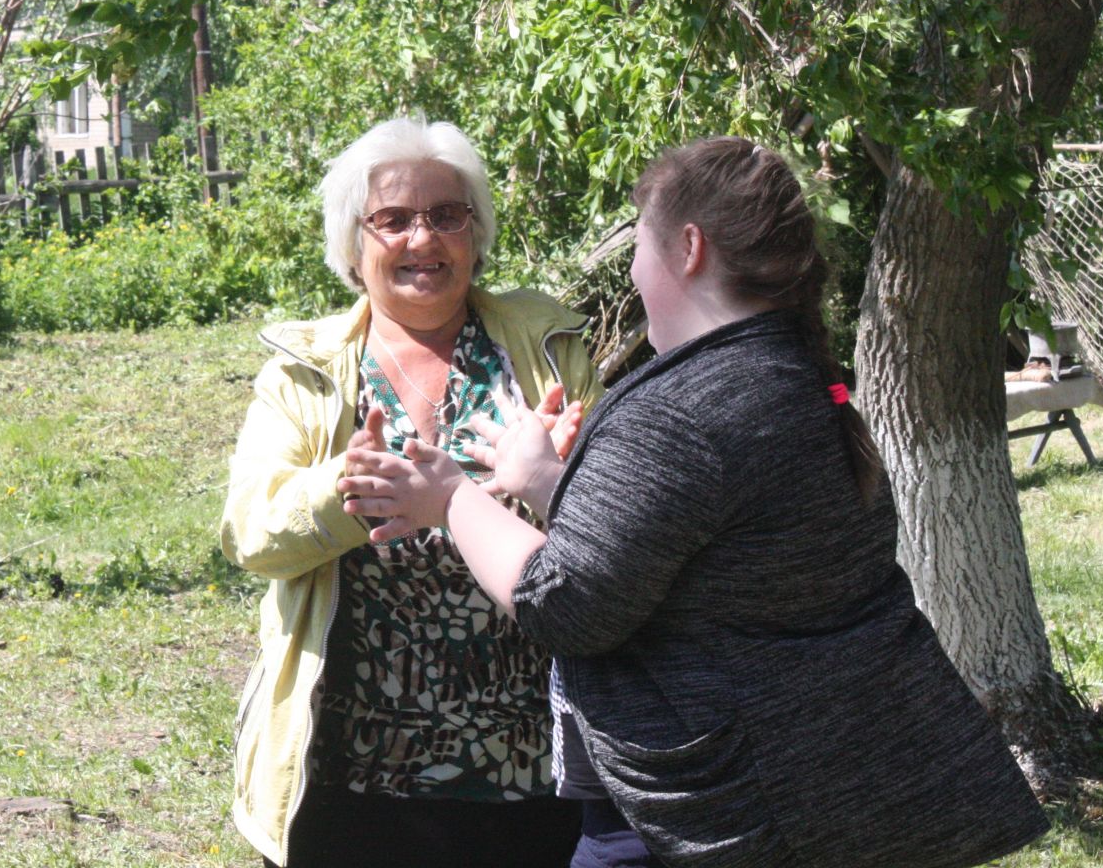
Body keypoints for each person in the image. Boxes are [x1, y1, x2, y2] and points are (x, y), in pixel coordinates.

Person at [341, 137, 1049, 868]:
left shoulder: (680, 413)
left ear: (688, 248)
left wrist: (451, 497)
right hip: (828, 772)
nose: (634, 271)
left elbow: (567, 604)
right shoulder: (789, 372)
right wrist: (552, 484)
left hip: (728, 810)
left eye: (640, 244)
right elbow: (704, 549)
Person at [220, 117, 607, 867]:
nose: (422, 240)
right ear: (352, 245)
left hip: (532, 773)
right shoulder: (305, 371)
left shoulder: (545, 349)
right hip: (353, 778)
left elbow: (613, 535)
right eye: (393, 220)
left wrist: (563, 484)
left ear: (476, 232)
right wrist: (342, 490)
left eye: (446, 216)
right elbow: (251, 534)